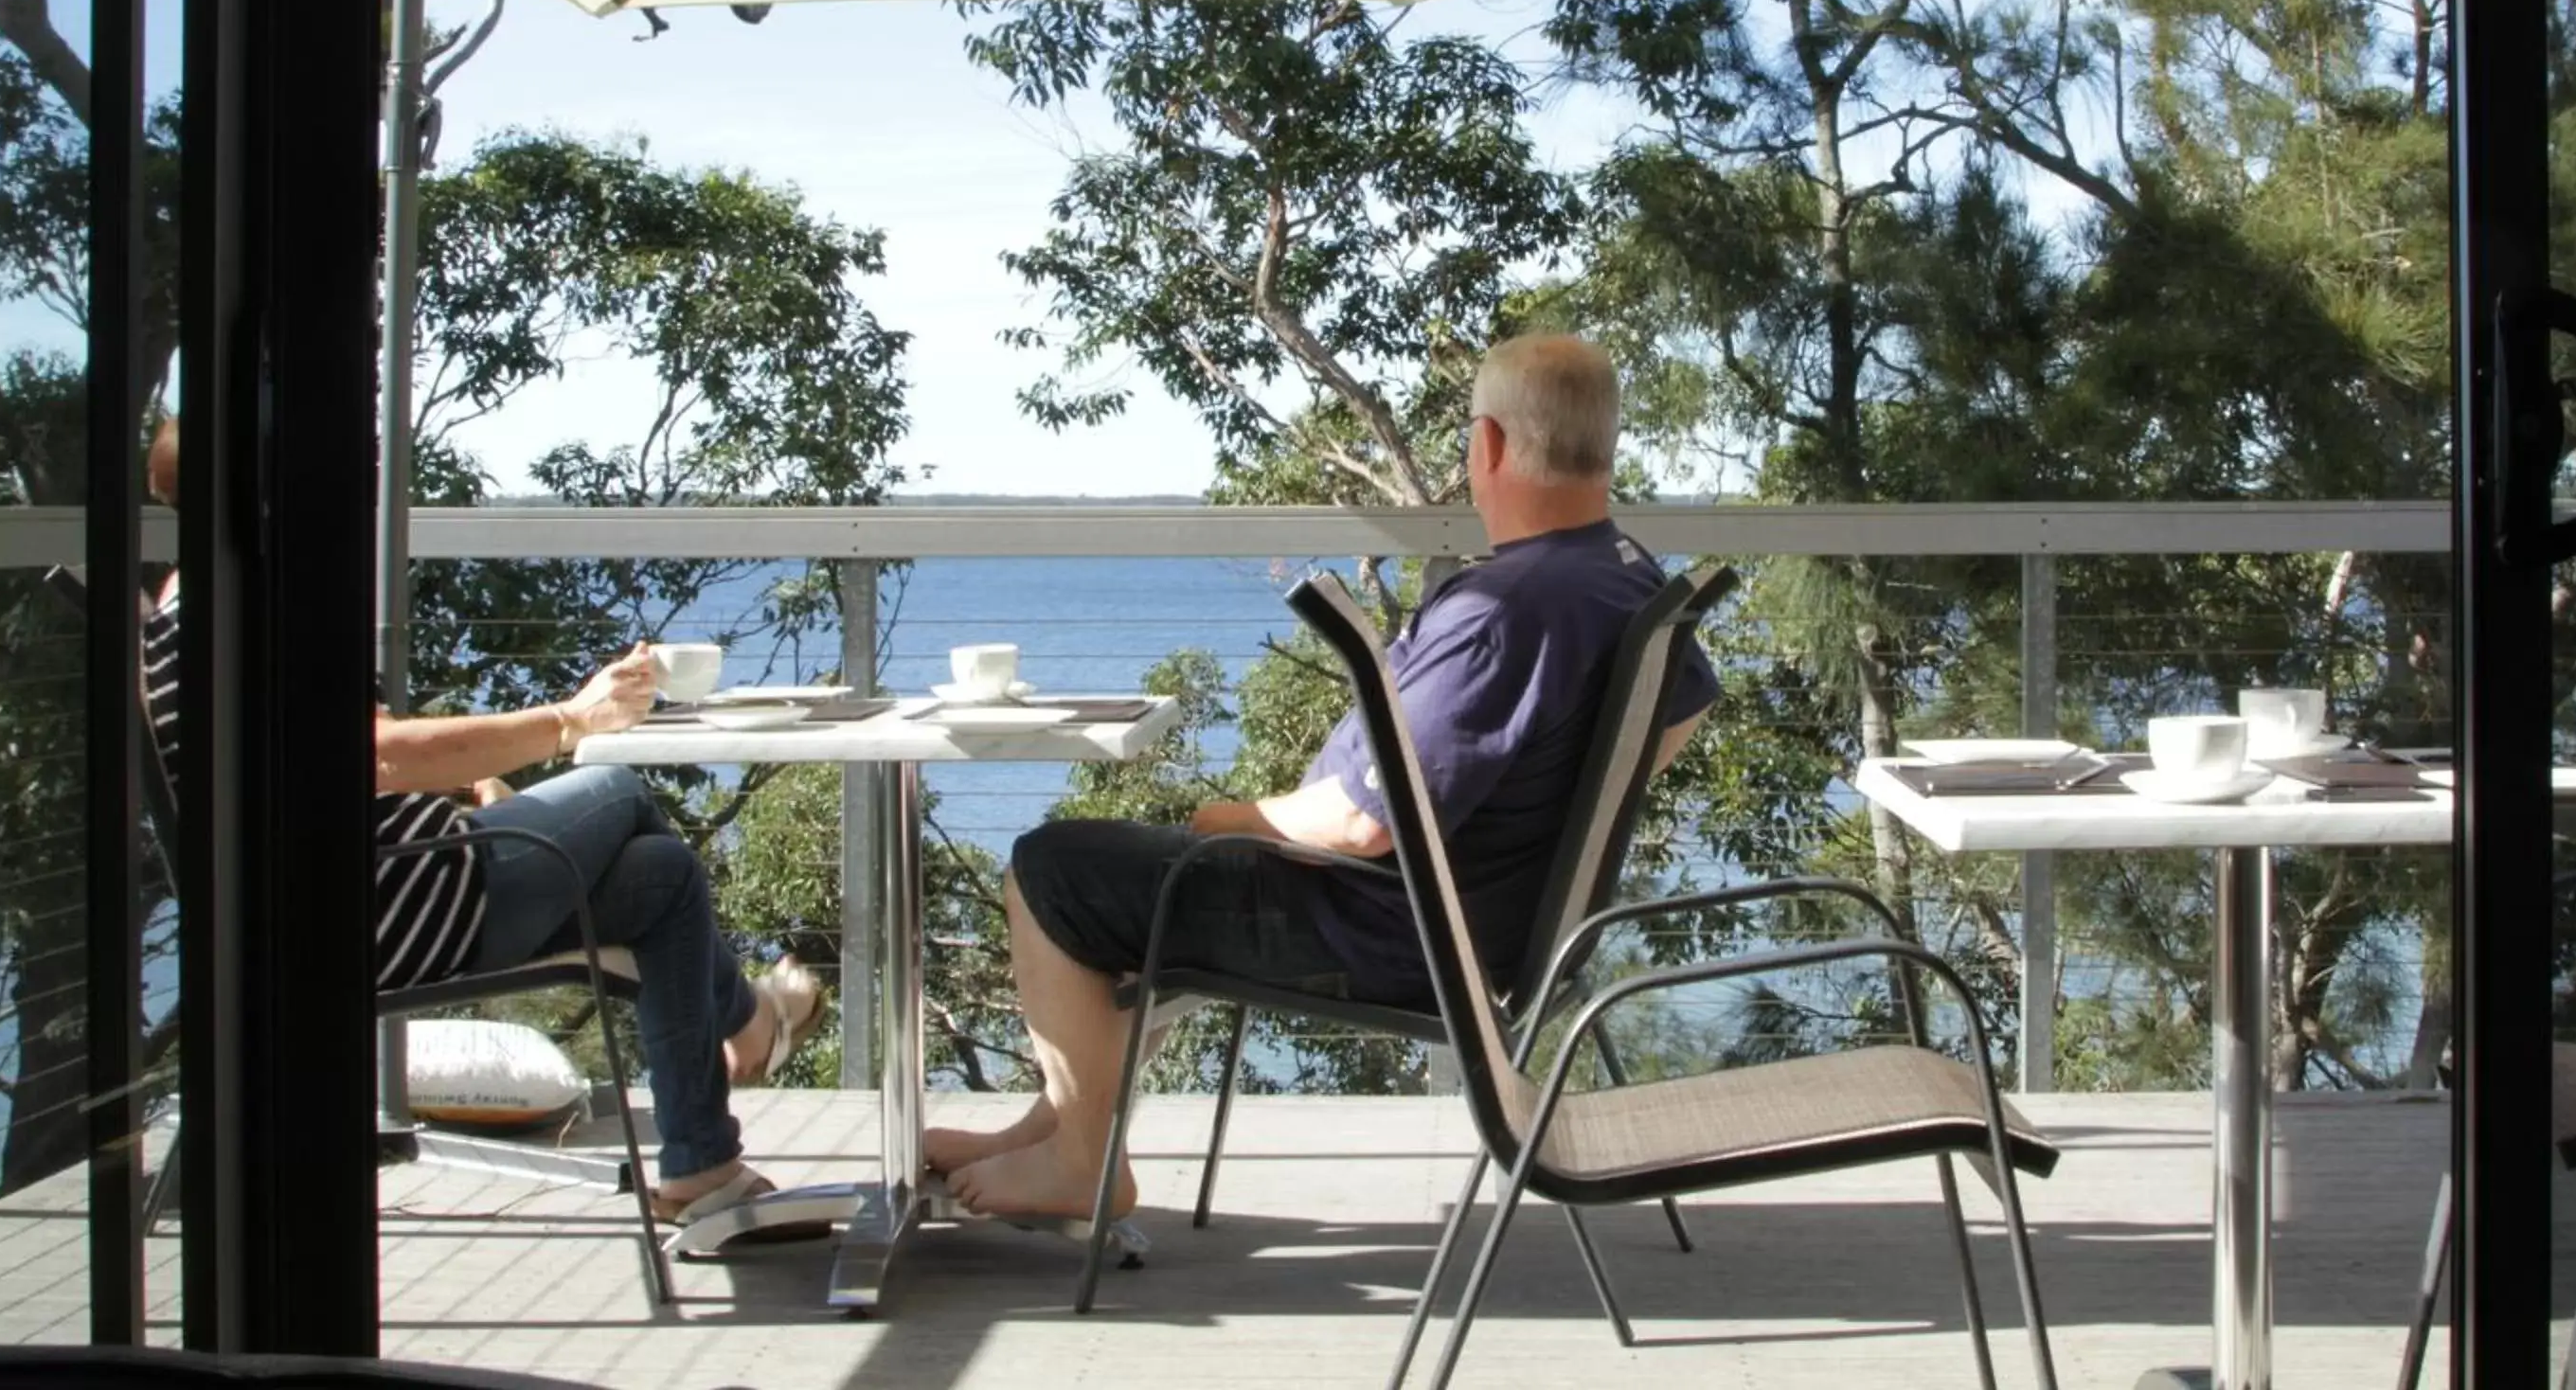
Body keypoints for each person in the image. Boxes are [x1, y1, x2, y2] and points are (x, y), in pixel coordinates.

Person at [928, 333, 1721, 1221]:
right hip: (1469, 925)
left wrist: (1230, 819)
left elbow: (1358, 826)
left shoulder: (1506, 612)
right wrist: (1546, 829)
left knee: (1054, 872)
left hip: (1380, 929)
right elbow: (1685, 706)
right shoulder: (1622, 573)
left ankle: (1083, 1160)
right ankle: (1052, 1130)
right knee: (1132, 880)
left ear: (1488, 446)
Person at [142, 415, 825, 1233]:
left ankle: (701, 1166)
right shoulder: (258, 604)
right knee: (616, 785)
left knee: (664, 876)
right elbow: (380, 757)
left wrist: (472, 785)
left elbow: (338, 751)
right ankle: (746, 1020)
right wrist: (571, 718)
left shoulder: (185, 607)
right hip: (400, 909)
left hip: (342, 906)